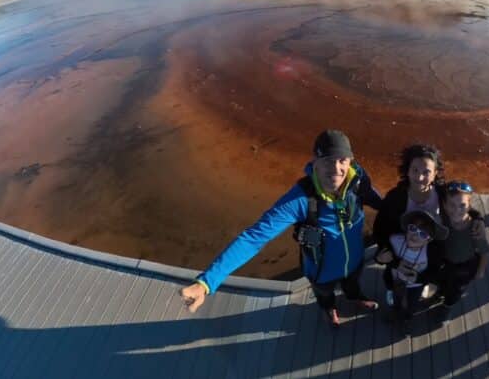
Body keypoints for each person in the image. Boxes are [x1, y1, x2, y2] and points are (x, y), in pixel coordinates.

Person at [179, 129, 383, 327]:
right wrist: (206, 283)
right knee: (325, 295)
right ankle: (329, 310)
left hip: (355, 262)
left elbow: (378, 201)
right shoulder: (300, 200)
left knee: (353, 285)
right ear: (316, 162)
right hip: (321, 272)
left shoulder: (358, 181)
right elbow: (253, 238)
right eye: (329, 160)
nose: (337, 169)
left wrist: (407, 213)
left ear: (350, 161)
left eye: (342, 160)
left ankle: (356, 299)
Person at [376, 210, 447, 324]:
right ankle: (396, 311)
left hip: (416, 285)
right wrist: (378, 259)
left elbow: (433, 273)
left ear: (429, 239)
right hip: (396, 281)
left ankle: (407, 318)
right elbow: (381, 255)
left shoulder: (432, 253)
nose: (415, 235)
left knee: (412, 303)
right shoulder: (394, 240)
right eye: (413, 228)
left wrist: (418, 279)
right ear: (407, 228)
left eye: (423, 234)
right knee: (396, 299)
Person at [434, 180, 489, 323]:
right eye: (452, 205)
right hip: (446, 263)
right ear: (445, 206)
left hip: (465, 267)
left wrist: (481, 271)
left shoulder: (475, 228)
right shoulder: (444, 220)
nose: (457, 210)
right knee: (443, 282)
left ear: (469, 205)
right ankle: (440, 293)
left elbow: (485, 251)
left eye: (462, 205)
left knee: (455, 292)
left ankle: (447, 308)